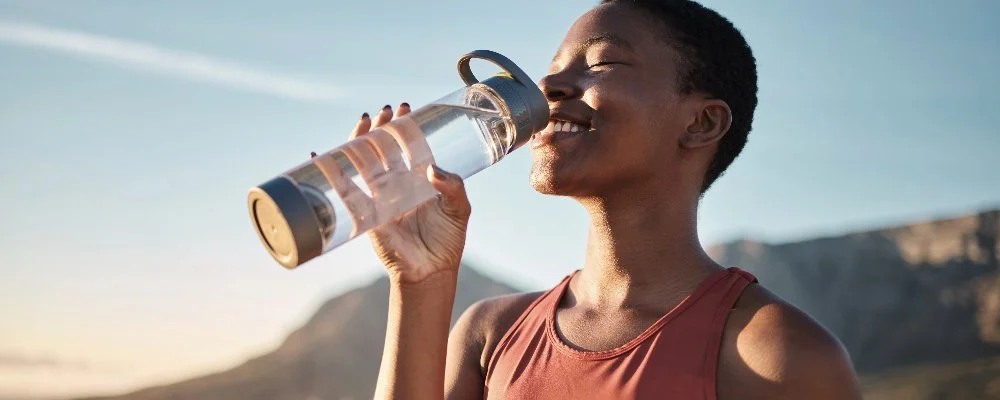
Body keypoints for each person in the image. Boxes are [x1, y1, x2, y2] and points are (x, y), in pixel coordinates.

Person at [333, 0, 862, 398]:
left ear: (700, 123)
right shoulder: (489, 335)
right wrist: (419, 282)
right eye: (556, 67)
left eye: (602, 63)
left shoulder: (776, 354)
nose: (548, 84)